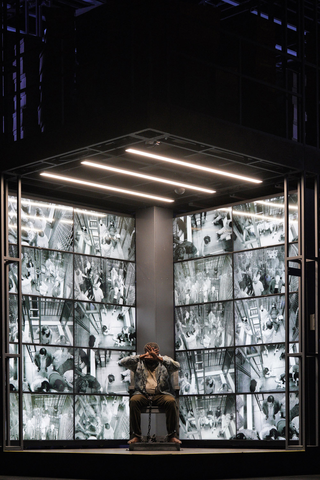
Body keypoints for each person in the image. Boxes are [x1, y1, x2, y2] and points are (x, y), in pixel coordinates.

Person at [118, 342, 181, 445]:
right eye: (148, 353)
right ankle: (137, 436)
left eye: (153, 353)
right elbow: (123, 362)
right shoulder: (139, 362)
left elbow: (177, 366)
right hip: (143, 394)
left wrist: (159, 358)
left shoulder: (163, 361)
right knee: (134, 401)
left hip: (161, 394)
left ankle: (171, 436)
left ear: (157, 352)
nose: (150, 356)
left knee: (171, 402)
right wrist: (141, 356)